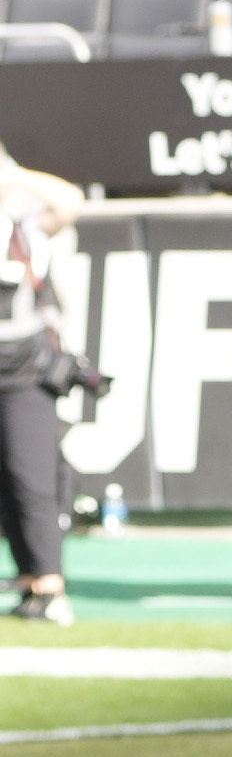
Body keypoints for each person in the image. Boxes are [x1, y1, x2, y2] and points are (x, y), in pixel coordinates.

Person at [0, 148, 77, 622]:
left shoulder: (24, 221)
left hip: (26, 368)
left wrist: (14, 174)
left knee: (33, 478)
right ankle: (29, 581)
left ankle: (52, 586)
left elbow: (69, 201)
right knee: (6, 482)